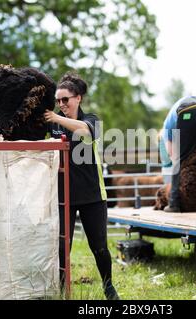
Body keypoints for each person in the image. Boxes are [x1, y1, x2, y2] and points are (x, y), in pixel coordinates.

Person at [44, 72, 119, 300]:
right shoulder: (53, 123)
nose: (61, 105)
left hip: (92, 195)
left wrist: (56, 118)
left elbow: (85, 132)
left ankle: (109, 287)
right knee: (61, 247)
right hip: (63, 196)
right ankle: (62, 291)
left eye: (65, 99)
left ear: (78, 99)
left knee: (99, 247)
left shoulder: (91, 120)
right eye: (58, 101)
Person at [161, 96, 196, 213]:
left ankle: (174, 203)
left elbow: (172, 154)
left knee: (178, 161)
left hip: (189, 110)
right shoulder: (173, 121)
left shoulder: (166, 129)